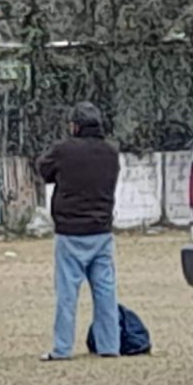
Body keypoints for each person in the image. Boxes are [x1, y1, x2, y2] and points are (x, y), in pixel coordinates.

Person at [37, 101, 121, 361]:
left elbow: (44, 170)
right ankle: (109, 345)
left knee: (67, 292)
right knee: (105, 290)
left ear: (75, 126)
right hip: (101, 229)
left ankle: (62, 348)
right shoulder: (111, 151)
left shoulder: (63, 150)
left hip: (70, 230)